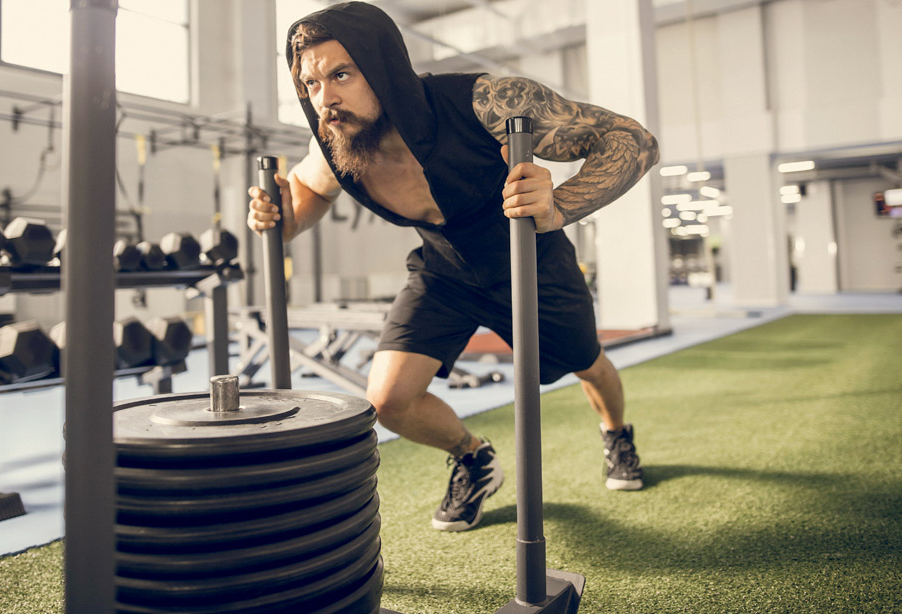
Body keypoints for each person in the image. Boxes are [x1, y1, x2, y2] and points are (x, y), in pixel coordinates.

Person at [249, 1, 659, 532]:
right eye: (311, 84)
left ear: (383, 66)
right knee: (388, 400)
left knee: (587, 362)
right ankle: (474, 458)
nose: (325, 98)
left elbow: (633, 141)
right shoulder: (335, 143)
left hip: (530, 261)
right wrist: (283, 220)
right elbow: (306, 189)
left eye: (341, 74)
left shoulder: (485, 101)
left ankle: (616, 434)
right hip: (444, 271)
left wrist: (561, 203)